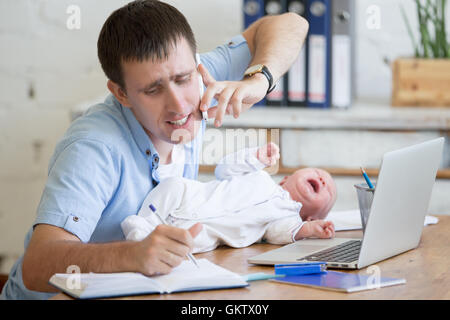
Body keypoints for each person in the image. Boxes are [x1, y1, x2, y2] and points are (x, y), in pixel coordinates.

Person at [1, 0, 309, 299]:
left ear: (196, 66)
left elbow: (291, 23)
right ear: (121, 93)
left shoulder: (202, 77)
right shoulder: (93, 148)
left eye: (183, 78)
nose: (179, 104)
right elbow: (38, 266)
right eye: (153, 90)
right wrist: (131, 255)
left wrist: (260, 79)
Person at [121, 143, 336, 253]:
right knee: (173, 185)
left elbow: (278, 234)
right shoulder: (258, 174)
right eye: (318, 172)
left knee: (190, 242)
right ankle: (142, 225)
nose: (322, 179)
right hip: (194, 199)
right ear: (285, 179)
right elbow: (224, 169)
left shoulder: (287, 218)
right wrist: (254, 158)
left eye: (329, 190)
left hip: (209, 231)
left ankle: (148, 244)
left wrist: (309, 230)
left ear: (309, 217)